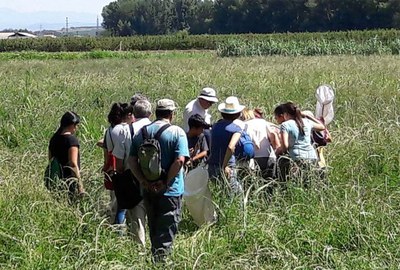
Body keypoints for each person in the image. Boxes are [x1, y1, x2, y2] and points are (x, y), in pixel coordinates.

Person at [129, 99, 189, 262]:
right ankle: (161, 262)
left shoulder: (142, 132)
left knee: (153, 227)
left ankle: (155, 258)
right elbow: (179, 161)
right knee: (167, 230)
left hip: (148, 189)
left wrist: (143, 181)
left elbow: (132, 160)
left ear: (156, 112)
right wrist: (165, 182)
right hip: (171, 191)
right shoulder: (177, 132)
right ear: (171, 114)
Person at [274, 102, 325, 183]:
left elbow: (285, 146)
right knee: (310, 182)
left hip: (296, 158)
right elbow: (322, 127)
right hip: (312, 156)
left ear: (285, 114)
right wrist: (308, 116)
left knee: (296, 182)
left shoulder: (285, 125)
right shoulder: (307, 122)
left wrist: (280, 152)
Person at [125, 99, 152, 245]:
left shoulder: (128, 129)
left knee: (137, 214)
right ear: (150, 113)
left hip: (134, 176)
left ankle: (139, 246)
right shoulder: (156, 128)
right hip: (155, 175)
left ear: (134, 113)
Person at [208, 96, 245, 195]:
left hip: (212, 164)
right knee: (236, 194)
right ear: (237, 114)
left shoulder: (215, 126)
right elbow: (231, 147)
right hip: (227, 166)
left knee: (219, 193)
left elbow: (212, 145)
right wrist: (224, 166)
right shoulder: (236, 129)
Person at [48, 111, 85, 201]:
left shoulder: (54, 139)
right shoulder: (72, 141)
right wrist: (80, 186)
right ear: (72, 125)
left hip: (56, 180)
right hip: (69, 182)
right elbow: (73, 164)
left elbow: (50, 160)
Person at [241, 108, 280, 179]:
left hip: (253, 156)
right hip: (267, 154)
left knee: (255, 178)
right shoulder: (263, 122)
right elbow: (272, 134)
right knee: (269, 179)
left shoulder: (244, 125)